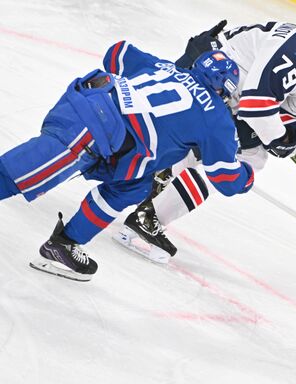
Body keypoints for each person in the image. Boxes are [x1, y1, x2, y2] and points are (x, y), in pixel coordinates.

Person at [115, 9, 296, 262]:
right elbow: (256, 106)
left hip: (229, 86)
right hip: (208, 74)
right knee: (246, 157)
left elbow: (293, 116)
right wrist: (278, 140)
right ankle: (150, 210)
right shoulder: (295, 54)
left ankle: (157, 188)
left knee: (225, 152)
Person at [0, 45, 254, 281]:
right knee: (17, 174)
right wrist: (247, 175)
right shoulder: (217, 118)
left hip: (92, 108)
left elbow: (117, 52)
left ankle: (64, 244)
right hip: (91, 129)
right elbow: (226, 179)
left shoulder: (166, 66)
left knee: (133, 186)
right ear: (222, 89)